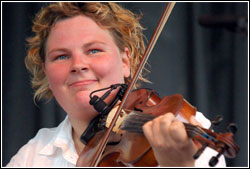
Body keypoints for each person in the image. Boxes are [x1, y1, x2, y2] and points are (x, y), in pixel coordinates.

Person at [6, 2, 226, 167]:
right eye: (61, 56)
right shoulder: (32, 157)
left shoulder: (188, 127)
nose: (78, 65)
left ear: (125, 62)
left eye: (94, 50)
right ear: (45, 71)